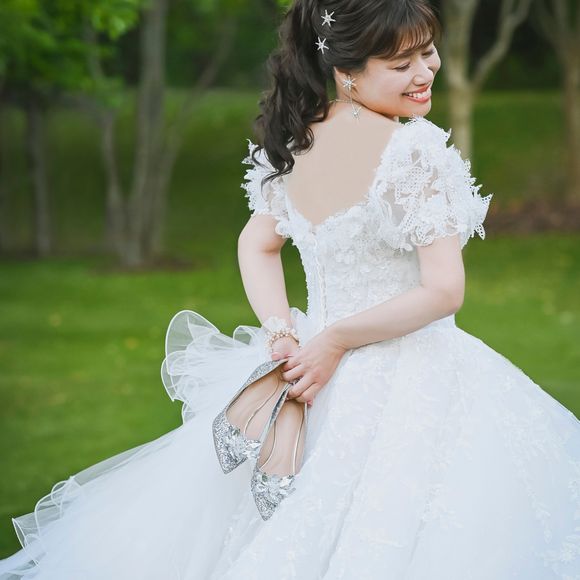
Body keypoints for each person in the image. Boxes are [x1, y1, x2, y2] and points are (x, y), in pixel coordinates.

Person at [1, 0, 579, 578]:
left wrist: (285, 333)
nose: (425, 72)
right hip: (398, 371)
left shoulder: (296, 142)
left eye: (428, 53)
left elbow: (256, 244)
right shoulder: (413, 150)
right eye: (401, 64)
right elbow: (445, 291)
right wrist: (327, 340)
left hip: (309, 369)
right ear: (347, 71)